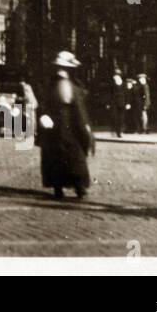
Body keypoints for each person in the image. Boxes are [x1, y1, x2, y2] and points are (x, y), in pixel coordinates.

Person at [38, 51, 94, 200]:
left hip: (55, 128)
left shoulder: (50, 84)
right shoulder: (72, 85)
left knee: (56, 157)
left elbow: (43, 105)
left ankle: (59, 187)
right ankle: (78, 187)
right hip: (69, 127)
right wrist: (84, 127)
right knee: (74, 157)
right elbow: (79, 110)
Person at [109, 70, 125, 138]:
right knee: (115, 117)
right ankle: (115, 131)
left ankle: (119, 132)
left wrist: (127, 102)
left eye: (118, 75)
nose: (116, 76)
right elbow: (110, 93)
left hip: (121, 102)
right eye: (116, 75)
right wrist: (109, 103)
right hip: (114, 102)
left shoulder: (122, 83)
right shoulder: (112, 83)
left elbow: (125, 93)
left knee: (121, 118)